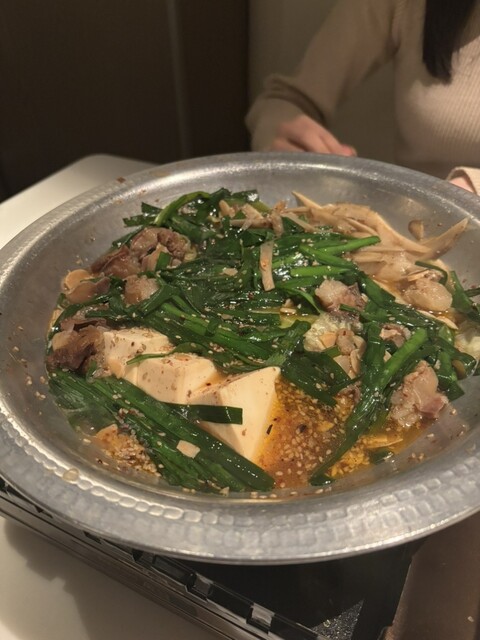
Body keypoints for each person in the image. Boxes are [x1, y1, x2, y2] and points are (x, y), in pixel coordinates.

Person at [246, 0, 480, 193]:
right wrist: (279, 130)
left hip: (439, 220)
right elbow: (287, 99)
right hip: (411, 222)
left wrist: (470, 190)